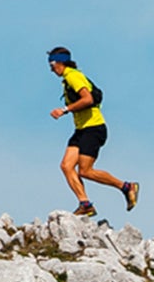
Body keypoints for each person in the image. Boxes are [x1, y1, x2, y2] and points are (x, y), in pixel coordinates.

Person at [45, 47, 138, 216]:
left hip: (93, 129)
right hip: (81, 130)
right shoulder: (67, 79)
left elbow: (87, 99)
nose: (51, 70)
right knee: (66, 166)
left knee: (85, 171)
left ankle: (126, 187)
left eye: (51, 65)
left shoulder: (73, 76)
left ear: (59, 62)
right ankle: (85, 204)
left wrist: (64, 110)